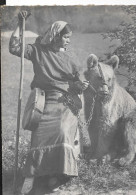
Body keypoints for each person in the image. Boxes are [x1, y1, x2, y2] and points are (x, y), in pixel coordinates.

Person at [9, 11, 89, 194]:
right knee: (39, 133)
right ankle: (31, 175)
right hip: (43, 100)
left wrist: (81, 86)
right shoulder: (38, 51)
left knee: (61, 130)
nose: (69, 41)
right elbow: (14, 47)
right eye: (66, 37)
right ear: (56, 36)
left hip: (66, 101)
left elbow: (76, 85)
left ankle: (60, 173)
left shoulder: (71, 60)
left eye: (70, 38)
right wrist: (20, 25)